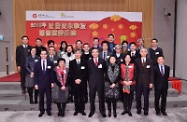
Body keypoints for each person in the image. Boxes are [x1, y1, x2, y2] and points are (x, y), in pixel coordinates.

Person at [34, 50, 54, 117]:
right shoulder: (37, 63)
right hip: (40, 83)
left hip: (48, 83)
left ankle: (48, 110)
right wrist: (36, 84)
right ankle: (41, 110)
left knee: (49, 97)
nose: (43, 55)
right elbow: (36, 74)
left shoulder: (50, 62)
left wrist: (52, 82)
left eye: (45, 54)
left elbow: (52, 73)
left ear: (46, 55)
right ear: (40, 55)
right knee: (41, 98)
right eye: (42, 54)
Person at [88, 48, 106, 118]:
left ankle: (102, 111)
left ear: (98, 53)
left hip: (100, 82)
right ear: (92, 54)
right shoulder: (89, 62)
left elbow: (104, 71)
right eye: (93, 52)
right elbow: (88, 72)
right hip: (92, 82)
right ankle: (92, 111)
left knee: (101, 97)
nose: (95, 53)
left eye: (96, 52)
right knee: (92, 98)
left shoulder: (102, 61)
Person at [135, 48, 154, 116]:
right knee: (138, 97)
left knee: (146, 97)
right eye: (142, 51)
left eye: (144, 51)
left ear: (147, 53)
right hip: (138, 82)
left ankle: (146, 109)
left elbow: (151, 73)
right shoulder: (136, 61)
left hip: (147, 82)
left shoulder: (150, 61)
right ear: (140, 53)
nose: (143, 53)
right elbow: (135, 72)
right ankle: (139, 109)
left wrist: (151, 82)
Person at [69, 49, 87, 116]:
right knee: (76, 97)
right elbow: (71, 72)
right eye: (76, 53)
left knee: (82, 97)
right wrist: (76, 79)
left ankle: (82, 110)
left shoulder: (85, 62)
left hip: (82, 82)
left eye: (79, 53)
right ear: (74, 54)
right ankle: (77, 110)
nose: (77, 54)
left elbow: (85, 72)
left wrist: (80, 79)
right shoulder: (71, 62)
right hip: (74, 82)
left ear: (81, 54)